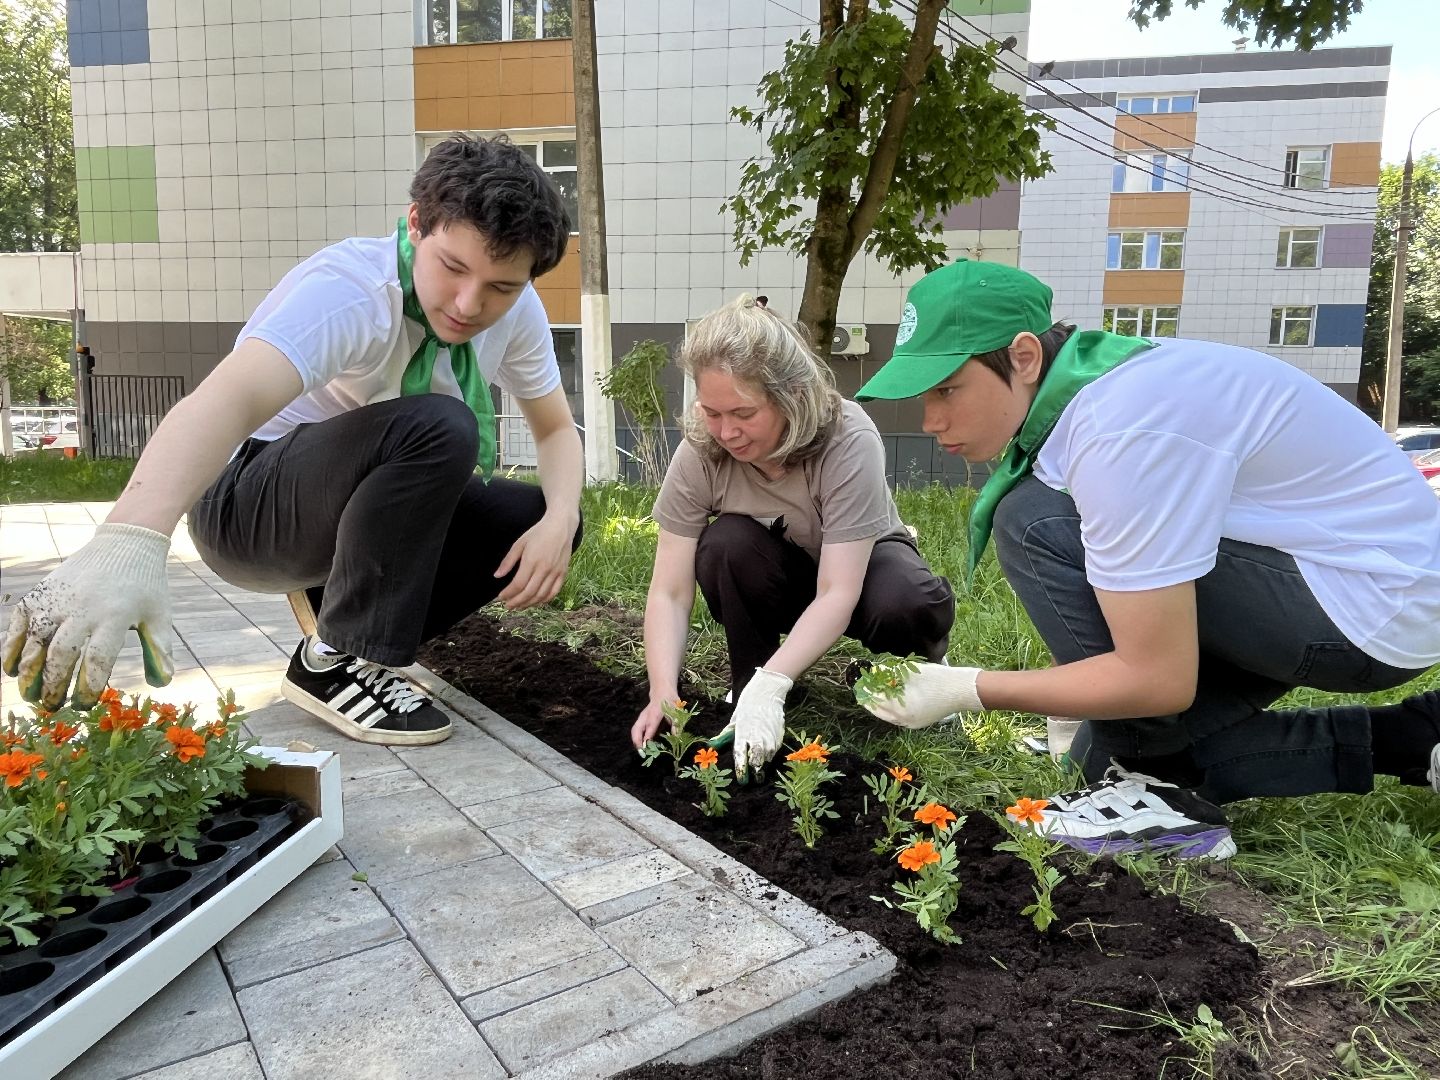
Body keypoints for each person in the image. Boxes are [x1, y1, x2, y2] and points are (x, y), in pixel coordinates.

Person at [3, 135, 584, 747]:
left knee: (540, 515)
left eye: (502, 287)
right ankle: (332, 665)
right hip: (245, 507)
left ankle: (340, 632)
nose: (470, 304)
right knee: (439, 424)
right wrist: (130, 538)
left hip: (348, 501)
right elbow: (226, 402)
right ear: (416, 225)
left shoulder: (518, 313)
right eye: (454, 268)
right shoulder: (350, 290)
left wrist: (560, 519)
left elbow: (554, 430)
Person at [853, 259, 1440, 860]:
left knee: (1032, 522)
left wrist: (966, 688)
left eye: (947, 389)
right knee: (1095, 758)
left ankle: (1152, 786)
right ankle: (1411, 738)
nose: (930, 421)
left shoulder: (1120, 428)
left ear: (1025, 358)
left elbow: (1156, 680)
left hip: (1369, 605)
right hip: (1337, 582)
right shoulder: (1100, 390)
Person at [630, 295, 955, 776]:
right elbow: (670, 591)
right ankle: (753, 682)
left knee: (905, 602)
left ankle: (926, 678)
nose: (726, 432)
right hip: (782, 574)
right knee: (726, 545)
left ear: (791, 395)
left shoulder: (846, 437)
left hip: (859, 570)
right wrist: (663, 691)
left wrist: (774, 683)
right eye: (711, 412)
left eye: (743, 413)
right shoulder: (701, 450)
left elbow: (838, 590)